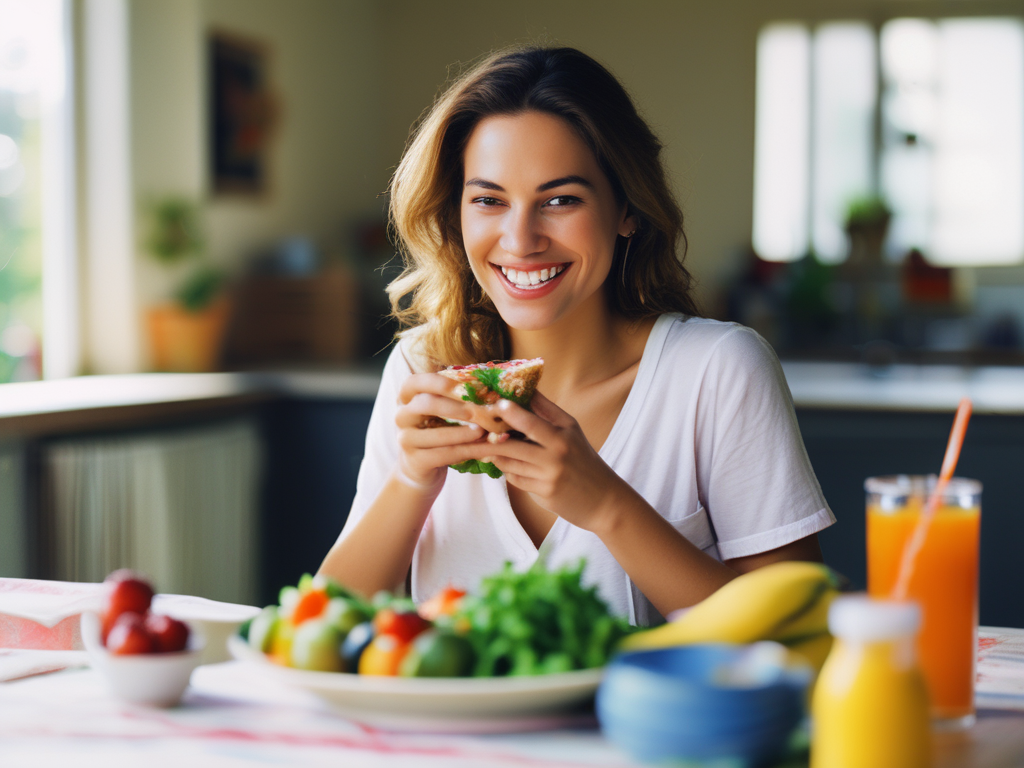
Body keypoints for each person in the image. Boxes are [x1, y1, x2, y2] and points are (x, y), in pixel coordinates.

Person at [318, 46, 834, 626]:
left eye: (560, 200)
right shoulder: (423, 369)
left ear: (628, 210)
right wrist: (412, 480)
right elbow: (319, 628)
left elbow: (799, 636)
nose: (520, 239)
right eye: (488, 200)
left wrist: (608, 505)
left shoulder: (718, 370)